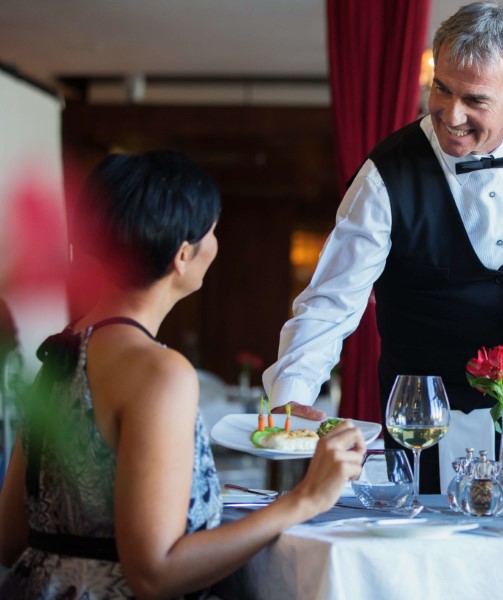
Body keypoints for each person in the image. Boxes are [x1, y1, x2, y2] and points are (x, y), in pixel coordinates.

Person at [262, 2, 503, 491]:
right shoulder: (385, 176)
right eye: (441, 88)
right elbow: (332, 300)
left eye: (475, 100)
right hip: (424, 417)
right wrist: (291, 395)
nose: (451, 114)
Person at [0, 151, 366, 598]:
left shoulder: (62, 352)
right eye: (212, 229)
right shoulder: (159, 372)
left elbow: (10, 538)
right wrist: (306, 498)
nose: (217, 242)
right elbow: (154, 575)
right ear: (183, 255)